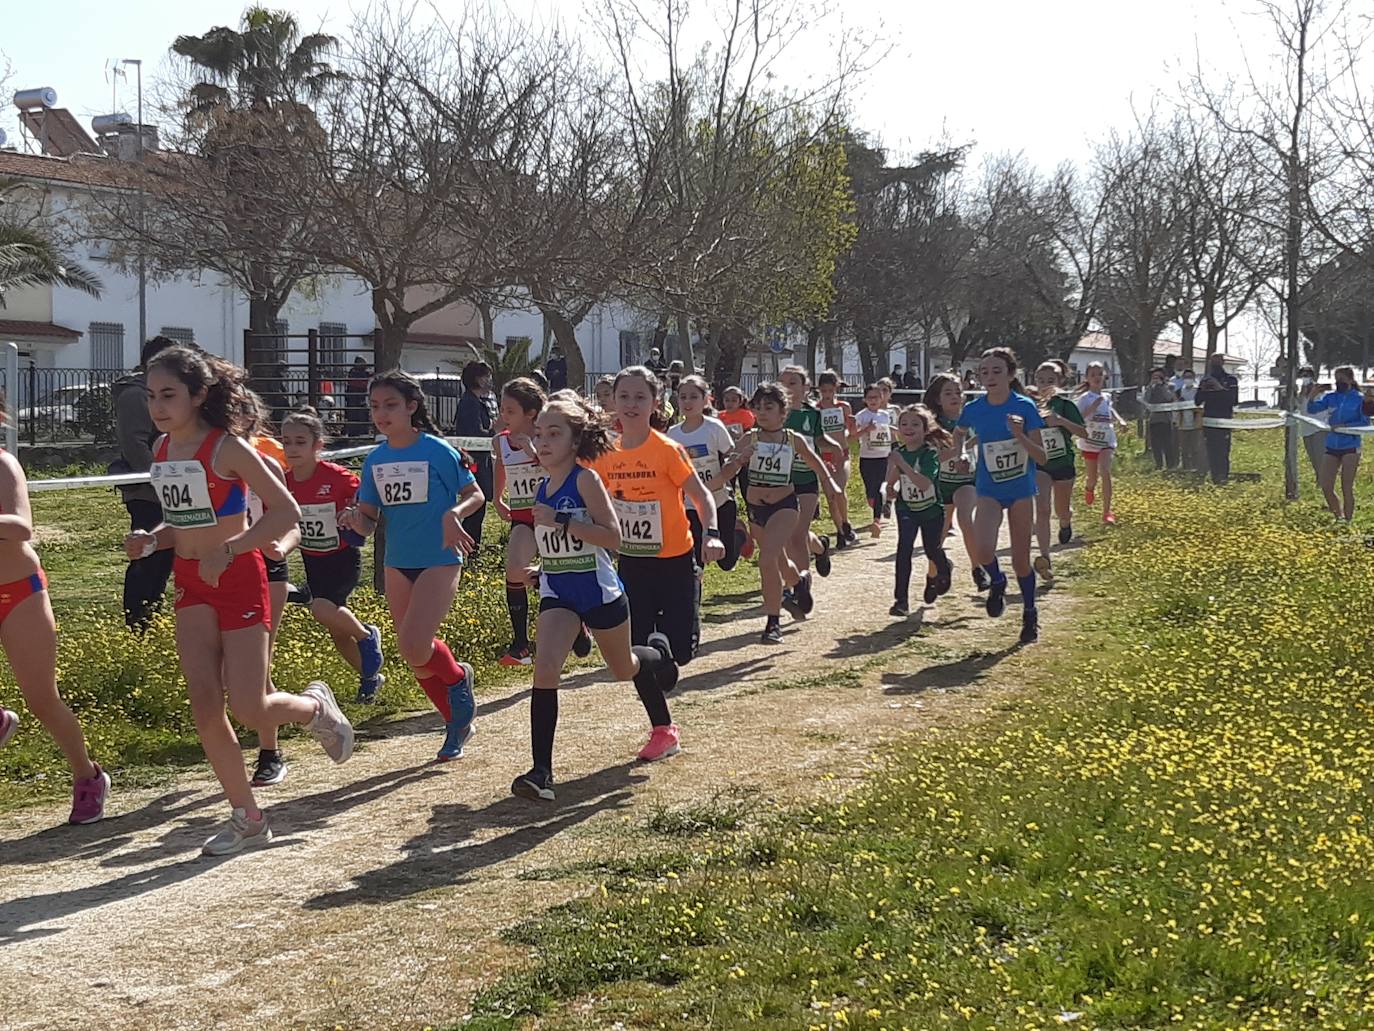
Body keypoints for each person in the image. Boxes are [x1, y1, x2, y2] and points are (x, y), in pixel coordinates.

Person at [125, 345, 354, 855]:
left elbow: (285, 512)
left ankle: (316, 707)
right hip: (191, 581)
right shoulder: (163, 451)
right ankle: (248, 816)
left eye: (169, 395)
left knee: (250, 706)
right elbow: (182, 522)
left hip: (240, 576)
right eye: (151, 396)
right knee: (206, 705)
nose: (158, 406)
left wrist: (231, 548)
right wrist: (151, 540)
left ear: (198, 395)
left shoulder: (226, 449)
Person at [513, 394, 679, 800]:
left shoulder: (585, 480)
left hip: (599, 592)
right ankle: (541, 773)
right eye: (541, 434)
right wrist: (542, 569)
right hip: (559, 591)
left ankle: (660, 661)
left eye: (555, 433)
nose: (545, 441)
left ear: (575, 441)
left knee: (625, 668)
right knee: (545, 668)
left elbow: (612, 538)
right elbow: (552, 544)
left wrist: (565, 520)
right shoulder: (541, 487)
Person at [338, 369, 482, 762]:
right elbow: (368, 521)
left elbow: (475, 495)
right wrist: (355, 519)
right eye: (374, 406)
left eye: (390, 405)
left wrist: (454, 513)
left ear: (412, 407)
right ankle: (456, 721)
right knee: (413, 654)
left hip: (439, 556)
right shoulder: (375, 460)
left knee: (415, 644)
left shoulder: (437, 450)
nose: (381, 413)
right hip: (398, 562)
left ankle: (457, 680)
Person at [591, 365, 724, 760]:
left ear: (654, 403)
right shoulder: (605, 454)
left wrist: (711, 532)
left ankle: (665, 651)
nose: (631, 404)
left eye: (640, 397)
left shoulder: (667, 449)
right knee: (635, 653)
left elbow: (701, 496)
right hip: (631, 563)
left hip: (676, 561)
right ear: (613, 401)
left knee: (679, 654)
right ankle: (662, 731)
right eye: (624, 396)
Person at [1, 412, 111, 825]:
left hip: (18, 590)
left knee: (41, 698)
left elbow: (21, 526)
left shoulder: (3, 464)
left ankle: (88, 776)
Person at [724, 382, 842, 643]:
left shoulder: (792, 439)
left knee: (766, 559)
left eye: (769, 407)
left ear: (783, 412)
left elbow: (815, 461)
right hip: (757, 508)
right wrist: (737, 460)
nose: (762, 412)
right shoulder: (749, 438)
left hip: (785, 505)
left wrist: (830, 483)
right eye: (758, 407)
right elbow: (729, 467)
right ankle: (799, 583)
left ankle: (772, 622)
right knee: (777, 560)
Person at [282, 408, 386, 703]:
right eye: (287, 442)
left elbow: (364, 507)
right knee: (337, 631)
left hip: (342, 557)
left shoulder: (338, 478)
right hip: (313, 560)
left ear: (318, 445)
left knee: (321, 609)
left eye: (300, 442)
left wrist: (351, 514)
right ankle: (370, 677)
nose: (292, 449)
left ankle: (367, 636)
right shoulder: (283, 482)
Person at [951, 347, 1048, 646]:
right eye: (984, 372)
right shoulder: (975, 408)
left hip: (1020, 491)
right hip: (989, 490)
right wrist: (961, 453)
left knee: (1021, 561)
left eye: (996, 371)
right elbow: (959, 433)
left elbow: (1042, 457)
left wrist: (1019, 435)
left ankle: (1030, 613)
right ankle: (997, 580)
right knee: (982, 551)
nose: (989, 377)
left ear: (1010, 374)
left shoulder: (1025, 407)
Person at [112, 334, 178, 630]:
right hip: (147, 491)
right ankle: (138, 622)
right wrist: (161, 480)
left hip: (170, 488)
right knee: (145, 556)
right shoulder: (135, 395)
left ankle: (152, 614)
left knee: (164, 556)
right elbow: (135, 443)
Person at [493, 378, 548, 667]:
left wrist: (532, 452)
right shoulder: (501, 440)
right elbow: (500, 465)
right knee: (514, 570)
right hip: (523, 517)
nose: (504, 415)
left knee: (562, 570)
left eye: (510, 410)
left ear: (530, 412)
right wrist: (497, 497)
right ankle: (521, 644)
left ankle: (576, 619)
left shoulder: (547, 435)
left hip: (554, 517)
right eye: (502, 408)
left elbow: (559, 468)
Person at [667, 376, 743, 583]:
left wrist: (725, 474)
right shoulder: (672, 434)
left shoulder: (714, 428)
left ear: (705, 400)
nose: (688, 402)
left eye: (693, 397)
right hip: (690, 506)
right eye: (683, 397)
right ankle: (693, 605)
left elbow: (733, 459)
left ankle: (739, 536)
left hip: (720, 502)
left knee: (725, 562)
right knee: (695, 561)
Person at [779, 366, 846, 594]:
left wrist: (834, 445)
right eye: (783, 382)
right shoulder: (774, 415)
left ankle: (799, 588)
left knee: (796, 536)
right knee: (791, 533)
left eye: (793, 383)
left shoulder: (812, 414)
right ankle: (819, 546)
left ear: (806, 388)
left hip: (806, 480)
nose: (787, 387)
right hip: (780, 482)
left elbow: (819, 438)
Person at [885, 404, 952, 616]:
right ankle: (901, 601)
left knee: (931, 549)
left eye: (915, 424)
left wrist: (902, 465)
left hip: (931, 510)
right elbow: (892, 478)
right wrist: (890, 488)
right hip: (907, 508)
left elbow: (924, 483)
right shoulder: (900, 452)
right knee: (904, 550)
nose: (908, 428)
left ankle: (944, 569)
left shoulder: (929, 453)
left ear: (925, 430)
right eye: (904, 423)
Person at [925, 373, 984, 591]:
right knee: (937, 537)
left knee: (965, 516)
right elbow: (930, 458)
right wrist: (957, 451)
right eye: (948, 393)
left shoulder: (971, 418)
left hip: (967, 481)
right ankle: (934, 574)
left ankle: (977, 569)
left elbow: (981, 441)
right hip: (941, 484)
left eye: (958, 392)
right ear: (938, 399)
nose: (955, 397)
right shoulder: (932, 425)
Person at [1031, 360, 1087, 581]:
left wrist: (1061, 421)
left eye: (1050, 381)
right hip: (1040, 464)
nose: (1045, 385)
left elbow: (1083, 433)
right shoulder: (1030, 404)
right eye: (1041, 380)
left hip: (1063, 462)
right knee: (1042, 509)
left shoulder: (1065, 404)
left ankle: (1066, 521)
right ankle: (1045, 557)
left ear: (1060, 381)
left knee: (1061, 509)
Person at [1306, 366, 1369, 522]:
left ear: (1350, 379)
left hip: (1351, 445)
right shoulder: (1331, 397)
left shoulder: (1359, 398)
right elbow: (1312, 409)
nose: (1338, 382)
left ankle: (1348, 520)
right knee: (1326, 484)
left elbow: (1364, 422)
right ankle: (1338, 516)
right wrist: (1313, 394)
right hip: (1332, 444)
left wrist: (1345, 425)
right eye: (1336, 378)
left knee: (1346, 486)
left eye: (1341, 379)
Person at [1075, 361, 1128, 524]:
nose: (1097, 377)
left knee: (1104, 471)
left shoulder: (1106, 396)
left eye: (1099, 374)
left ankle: (1107, 512)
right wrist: (1092, 407)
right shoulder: (1084, 398)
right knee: (1092, 477)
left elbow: (1110, 410)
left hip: (1106, 439)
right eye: (1093, 375)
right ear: (1087, 378)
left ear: (1104, 376)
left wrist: (1120, 421)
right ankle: (1089, 488)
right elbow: (1078, 418)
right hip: (1090, 440)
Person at [454, 360, 498, 552]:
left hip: (480, 460)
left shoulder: (475, 402)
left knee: (478, 510)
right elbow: (474, 435)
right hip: (474, 462)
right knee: (475, 508)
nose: (489, 380)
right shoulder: (470, 403)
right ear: (477, 379)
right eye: (486, 376)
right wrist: (495, 429)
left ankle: (472, 547)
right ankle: (469, 548)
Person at [815, 370, 857, 547]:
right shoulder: (815, 409)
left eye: (830, 391)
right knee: (831, 496)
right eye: (823, 391)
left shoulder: (844, 407)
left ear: (835, 389)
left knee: (839, 490)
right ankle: (840, 531)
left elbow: (851, 434)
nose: (826, 394)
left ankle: (845, 522)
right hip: (824, 456)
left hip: (842, 453)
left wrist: (851, 426)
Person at [854, 384, 895, 537]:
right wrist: (866, 430)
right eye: (870, 397)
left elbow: (888, 431)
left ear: (881, 398)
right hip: (866, 457)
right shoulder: (861, 416)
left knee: (878, 488)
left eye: (876, 397)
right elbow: (852, 436)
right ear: (865, 399)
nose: (873, 400)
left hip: (883, 457)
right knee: (870, 490)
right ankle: (874, 503)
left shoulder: (885, 415)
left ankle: (876, 520)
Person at [1195, 356, 1239, 484]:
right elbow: (1197, 401)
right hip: (1209, 420)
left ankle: (1223, 476)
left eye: (1218, 362)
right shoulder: (1205, 380)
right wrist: (1202, 389)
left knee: (1223, 449)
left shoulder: (1231, 380)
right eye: (1213, 362)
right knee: (1211, 449)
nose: (1215, 365)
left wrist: (1219, 387)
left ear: (1223, 362)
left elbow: (1233, 400)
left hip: (1224, 419)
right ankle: (1215, 476)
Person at [1295, 366, 1327, 484]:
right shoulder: (1301, 391)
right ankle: (1319, 479)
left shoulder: (1319, 389)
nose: (1305, 378)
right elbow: (1299, 406)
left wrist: (1312, 392)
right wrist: (1301, 393)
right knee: (1313, 457)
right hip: (1306, 428)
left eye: (1307, 375)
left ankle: (1324, 481)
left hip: (1319, 428)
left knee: (1320, 457)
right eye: (1303, 376)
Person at [1144, 368, 1179, 471]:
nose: (1156, 379)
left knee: (1167, 443)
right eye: (1154, 377)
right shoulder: (1150, 387)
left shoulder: (1169, 386)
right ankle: (1158, 465)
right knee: (1155, 445)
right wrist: (1151, 387)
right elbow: (1146, 399)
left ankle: (1170, 465)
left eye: (1158, 377)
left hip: (1166, 419)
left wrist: (1161, 386)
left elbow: (1168, 397)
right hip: (1153, 419)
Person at [1177, 369, 1201, 470]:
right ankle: (1185, 467)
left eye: (1190, 377)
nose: (1188, 379)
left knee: (1195, 447)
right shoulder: (1179, 391)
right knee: (1184, 448)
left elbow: (1201, 405)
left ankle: (1196, 467)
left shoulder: (1198, 390)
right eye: (1186, 377)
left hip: (1195, 422)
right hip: (1183, 422)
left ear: (1194, 378)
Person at [345, 356, 371, 436]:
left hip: (358, 395)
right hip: (354, 396)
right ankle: (355, 432)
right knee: (354, 414)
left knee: (360, 413)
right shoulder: (355, 372)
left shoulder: (355, 372)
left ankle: (361, 431)